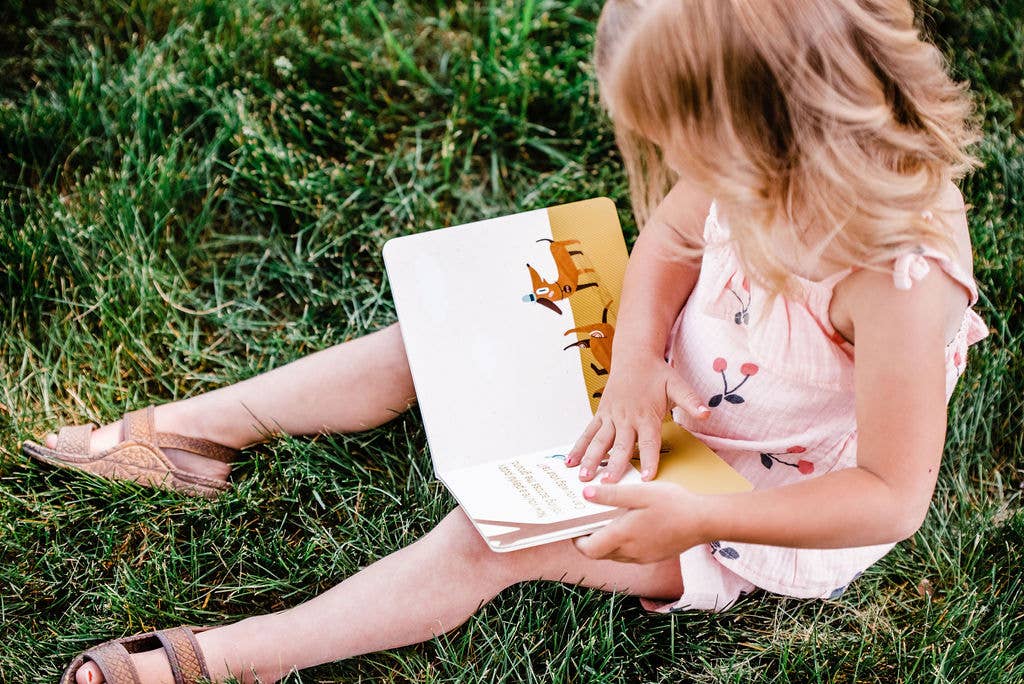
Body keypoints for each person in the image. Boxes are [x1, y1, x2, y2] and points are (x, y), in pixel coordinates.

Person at [25, 0, 989, 681]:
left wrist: (689, 520)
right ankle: (201, 432)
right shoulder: (755, 164)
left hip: (745, 498)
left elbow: (889, 499)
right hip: (658, 380)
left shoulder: (897, 279)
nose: (671, 168)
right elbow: (667, 244)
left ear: (767, 132)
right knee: (430, 340)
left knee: (489, 539)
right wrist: (639, 367)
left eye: (683, 147)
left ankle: (242, 656)